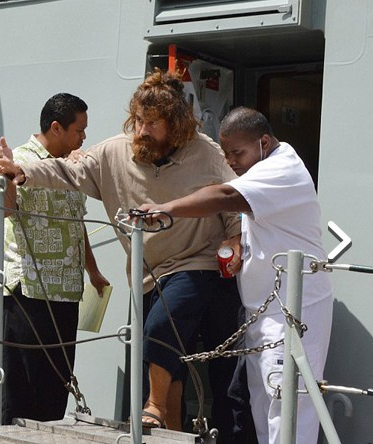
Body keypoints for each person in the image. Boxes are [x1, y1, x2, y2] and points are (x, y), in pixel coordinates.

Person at [0, 69, 243, 438]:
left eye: (152, 124)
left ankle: (154, 409)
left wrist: (234, 240)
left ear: (176, 127)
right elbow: (68, 170)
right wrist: (21, 171)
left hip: (197, 262)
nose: (141, 131)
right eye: (138, 120)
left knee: (160, 332)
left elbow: (233, 199)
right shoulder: (114, 151)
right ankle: (171, 430)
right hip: (145, 271)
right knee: (165, 362)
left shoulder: (206, 153)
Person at [136, 106, 333, 444]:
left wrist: (166, 209)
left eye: (238, 153)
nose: (232, 162)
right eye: (226, 154)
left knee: (286, 407)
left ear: (264, 142)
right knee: (263, 402)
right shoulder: (263, 169)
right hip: (264, 311)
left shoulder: (282, 167)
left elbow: (225, 196)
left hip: (293, 312)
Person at [0, 93, 109, 425]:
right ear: (56, 128)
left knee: (56, 386)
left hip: (66, 294)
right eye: (79, 130)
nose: (83, 137)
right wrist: (8, 175)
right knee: (21, 389)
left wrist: (94, 272)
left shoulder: (72, 167)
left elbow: (76, 223)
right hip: (28, 294)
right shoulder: (20, 159)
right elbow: (4, 210)